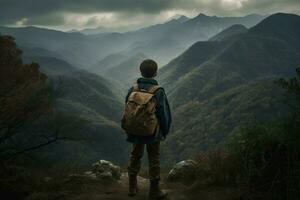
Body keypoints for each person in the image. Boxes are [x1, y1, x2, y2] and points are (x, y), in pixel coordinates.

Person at [122, 59, 172, 200]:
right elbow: (164, 114)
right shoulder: (158, 92)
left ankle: (132, 187)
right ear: (155, 73)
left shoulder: (133, 89)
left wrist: (128, 127)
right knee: (154, 158)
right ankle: (154, 191)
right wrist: (165, 131)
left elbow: (127, 108)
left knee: (135, 155)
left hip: (135, 130)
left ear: (141, 71)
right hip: (152, 132)